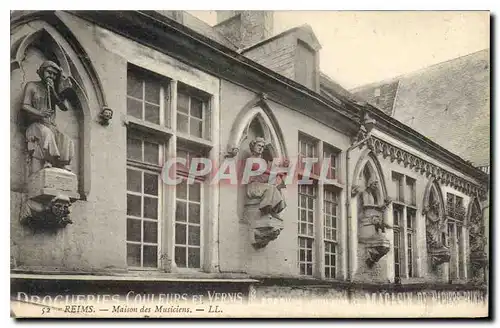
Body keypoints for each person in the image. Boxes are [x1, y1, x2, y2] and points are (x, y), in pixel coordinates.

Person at [22, 61, 74, 173]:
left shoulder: (52, 90)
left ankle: (63, 164)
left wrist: (53, 91)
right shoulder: (32, 86)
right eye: (49, 72)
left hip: (51, 126)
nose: (51, 76)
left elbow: (64, 107)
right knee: (47, 134)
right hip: (35, 126)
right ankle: (48, 160)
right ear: (42, 72)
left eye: (54, 74)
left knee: (66, 139)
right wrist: (40, 113)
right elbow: (25, 106)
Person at [246, 137, 287, 219]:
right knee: (270, 189)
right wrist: (275, 172)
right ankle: (265, 211)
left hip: (261, 186)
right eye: (258, 145)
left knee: (276, 190)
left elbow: (266, 175)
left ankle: (274, 211)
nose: (261, 148)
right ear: (253, 147)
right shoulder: (250, 160)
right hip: (253, 187)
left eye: (262, 146)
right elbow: (261, 170)